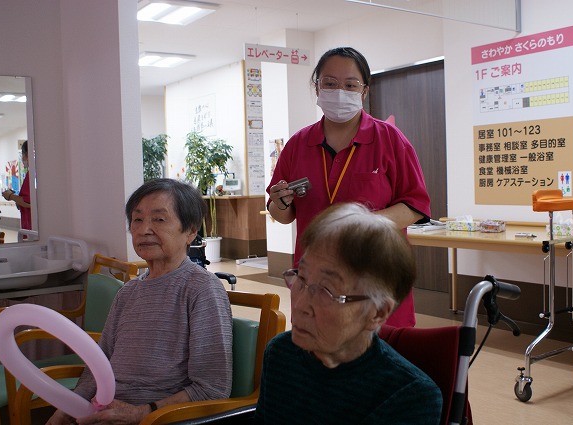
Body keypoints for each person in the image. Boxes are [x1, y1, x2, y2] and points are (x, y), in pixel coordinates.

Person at [266, 47, 431, 328]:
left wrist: (363, 225)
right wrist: (279, 203)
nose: (340, 92)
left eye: (350, 85)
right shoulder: (298, 144)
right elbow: (282, 214)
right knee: (316, 343)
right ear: (317, 87)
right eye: (330, 83)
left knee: (379, 348)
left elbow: (415, 205)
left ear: (364, 91)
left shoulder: (390, 140)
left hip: (375, 273)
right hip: (314, 276)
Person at [47, 178, 233, 424]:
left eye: (159, 219)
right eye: (137, 220)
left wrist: (142, 413)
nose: (144, 230)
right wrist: (69, 407)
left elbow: (212, 388)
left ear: (190, 231)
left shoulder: (202, 289)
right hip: (104, 412)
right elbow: (99, 361)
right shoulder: (128, 292)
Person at [254, 203, 442, 424]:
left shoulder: (410, 396)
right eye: (301, 277)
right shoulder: (281, 353)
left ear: (377, 313)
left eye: (326, 290)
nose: (300, 305)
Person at [2, 140, 32, 230]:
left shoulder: (32, 175)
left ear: (27, 154)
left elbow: (29, 202)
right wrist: (18, 201)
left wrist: (10, 196)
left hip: (31, 226)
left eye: (22, 154)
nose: (22, 158)